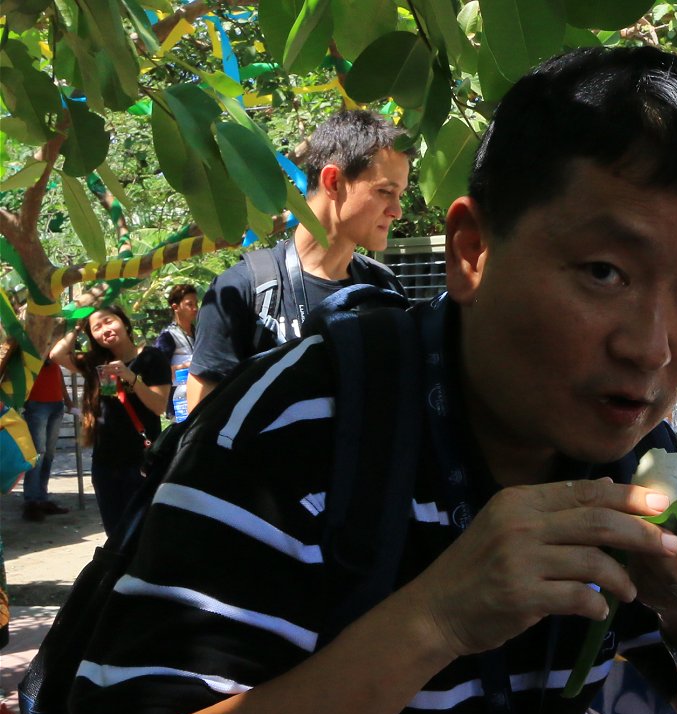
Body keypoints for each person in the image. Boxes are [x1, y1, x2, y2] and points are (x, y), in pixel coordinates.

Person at [70, 47, 677, 714]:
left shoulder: (629, 452)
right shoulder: (296, 429)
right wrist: (436, 619)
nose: (652, 347)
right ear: (472, 251)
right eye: (605, 272)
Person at [186, 110, 409, 410]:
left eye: (400, 195)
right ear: (333, 182)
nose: (397, 211)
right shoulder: (242, 290)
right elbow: (203, 437)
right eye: (385, 192)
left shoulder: (383, 287)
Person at [49, 306, 170, 535]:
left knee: (143, 533)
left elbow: (159, 406)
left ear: (124, 322)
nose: (105, 329)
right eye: (97, 328)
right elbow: (57, 355)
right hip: (105, 463)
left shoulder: (152, 358)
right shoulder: (96, 362)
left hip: (141, 462)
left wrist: (131, 377)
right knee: (115, 535)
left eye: (109, 321)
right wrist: (78, 326)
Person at [19, 359, 71, 521]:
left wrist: (67, 400)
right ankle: (31, 502)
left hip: (56, 403)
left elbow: (58, 373)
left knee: (48, 454)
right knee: (38, 453)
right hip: (36, 404)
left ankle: (42, 498)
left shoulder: (53, 350)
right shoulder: (31, 348)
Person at [153, 283, 197, 421]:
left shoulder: (197, 331)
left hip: (199, 398)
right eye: (190, 304)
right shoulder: (168, 336)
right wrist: (185, 367)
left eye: (196, 303)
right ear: (175, 307)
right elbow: (158, 372)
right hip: (180, 405)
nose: (195, 308)